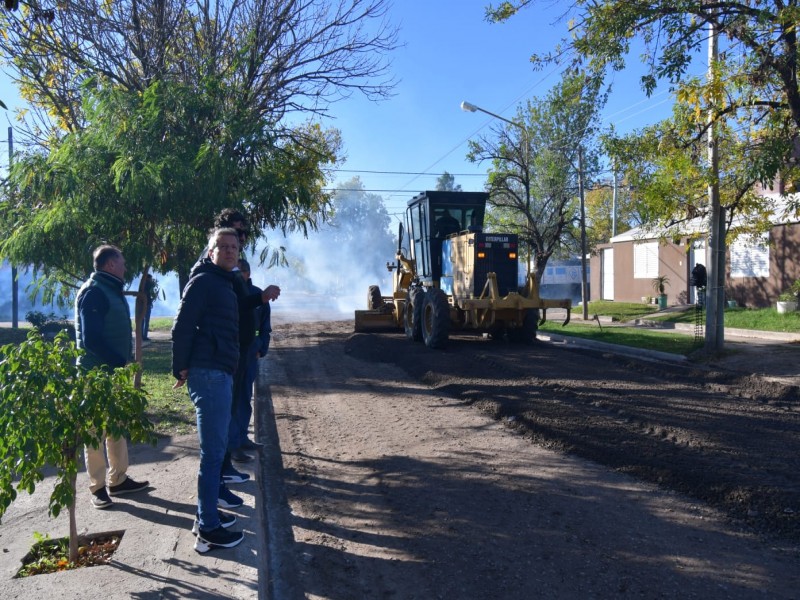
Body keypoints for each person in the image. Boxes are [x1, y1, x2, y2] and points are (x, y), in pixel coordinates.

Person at [172, 227, 246, 553]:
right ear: (211, 251)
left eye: (234, 247)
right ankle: (208, 530)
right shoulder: (204, 281)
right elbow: (182, 325)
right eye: (223, 246)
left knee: (213, 452)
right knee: (213, 454)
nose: (229, 251)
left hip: (219, 371)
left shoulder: (224, 282)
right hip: (211, 374)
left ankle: (206, 513)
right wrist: (180, 365)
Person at [74, 244, 149, 509]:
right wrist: (118, 361)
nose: (126, 267)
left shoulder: (109, 288)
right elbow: (92, 339)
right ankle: (97, 488)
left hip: (112, 373)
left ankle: (118, 479)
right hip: (94, 373)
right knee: (94, 432)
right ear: (109, 265)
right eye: (122, 262)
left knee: (116, 427)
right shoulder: (94, 292)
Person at [231, 259, 272, 455]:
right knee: (231, 399)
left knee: (245, 396)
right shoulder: (227, 293)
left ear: (247, 274)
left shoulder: (258, 295)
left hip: (250, 353)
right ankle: (232, 445)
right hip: (230, 352)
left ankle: (241, 438)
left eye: (240, 272)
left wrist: (261, 348)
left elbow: (265, 327)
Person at [141, 274, 158, 340]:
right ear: (148, 278)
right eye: (150, 278)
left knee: (142, 320)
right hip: (146, 304)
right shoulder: (148, 285)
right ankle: (144, 336)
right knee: (146, 320)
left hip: (144, 304)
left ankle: (142, 335)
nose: (151, 280)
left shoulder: (143, 285)